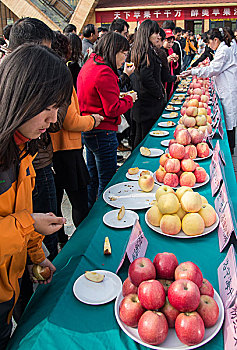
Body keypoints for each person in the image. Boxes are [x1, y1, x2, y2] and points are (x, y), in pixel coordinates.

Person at [0, 44, 72, 349]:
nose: (53, 121)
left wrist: (36, 257)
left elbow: (22, 212)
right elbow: (24, 220)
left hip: (8, 294)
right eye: (48, 108)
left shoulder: (23, 148)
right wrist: (29, 224)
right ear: (22, 97)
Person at [50, 33, 103, 246]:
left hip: (50, 151)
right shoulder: (60, 74)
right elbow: (69, 121)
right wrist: (92, 120)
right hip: (66, 149)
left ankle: (62, 242)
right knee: (79, 201)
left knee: (53, 203)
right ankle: (81, 244)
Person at [77, 32, 137, 209]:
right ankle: (104, 215)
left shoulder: (91, 62)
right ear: (114, 51)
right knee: (107, 180)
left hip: (89, 129)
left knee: (93, 177)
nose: (125, 59)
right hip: (102, 131)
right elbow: (113, 109)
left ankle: (91, 213)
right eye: (124, 54)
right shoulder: (104, 71)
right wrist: (129, 99)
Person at [183, 28, 237, 154]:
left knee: (229, 119)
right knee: (228, 118)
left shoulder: (223, 50)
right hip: (225, 85)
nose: (208, 46)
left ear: (216, 40)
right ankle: (230, 146)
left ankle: (230, 148)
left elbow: (213, 69)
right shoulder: (224, 47)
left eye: (209, 43)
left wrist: (193, 71)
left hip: (227, 87)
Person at [130, 20, 165, 148]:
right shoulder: (146, 52)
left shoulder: (140, 49)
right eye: (155, 33)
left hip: (142, 103)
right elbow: (146, 78)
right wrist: (159, 93)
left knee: (140, 138)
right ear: (147, 34)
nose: (159, 36)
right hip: (148, 105)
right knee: (145, 140)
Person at [162, 29, 179, 99]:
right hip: (163, 81)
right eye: (168, 42)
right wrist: (166, 61)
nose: (170, 44)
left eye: (172, 42)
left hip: (170, 78)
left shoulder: (171, 50)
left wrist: (175, 61)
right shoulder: (160, 51)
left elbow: (173, 67)